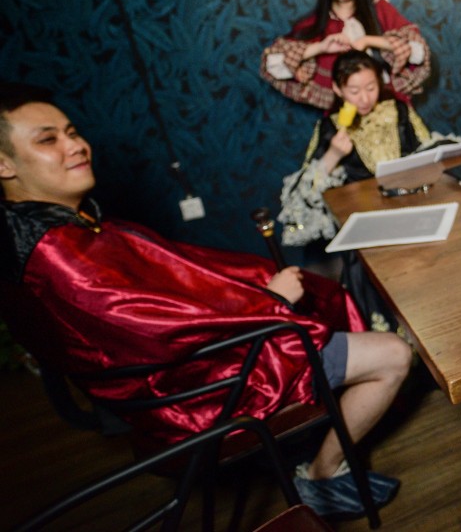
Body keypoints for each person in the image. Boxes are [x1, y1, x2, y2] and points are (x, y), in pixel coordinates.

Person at [0, 83, 413, 521]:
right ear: (4, 162)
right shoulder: (57, 256)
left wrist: (257, 291)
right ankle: (322, 474)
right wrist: (266, 301)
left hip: (196, 364)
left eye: (71, 131)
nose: (76, 145)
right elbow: (152, 330)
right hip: (200, 386)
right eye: (49, 139)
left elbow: (168, 295)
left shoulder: (53, 230)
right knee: (394, 355)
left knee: (319, 291)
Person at [277, 49, 445, 250]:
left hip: (414, 209)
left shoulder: (398, 110)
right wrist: (333, 154)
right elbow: (304, 193)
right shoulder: (330, 127)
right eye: (354, 92)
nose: (364, 99)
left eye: (371, 88)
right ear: (338, 89)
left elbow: (427, 153)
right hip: (366, 225)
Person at [260, 0, 431, 109]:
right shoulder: (315, 24)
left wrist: (368, 41)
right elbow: (272, 64)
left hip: (391, 112)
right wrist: (320, 48)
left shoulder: (379, 8)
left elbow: (418, 52)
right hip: (342, 122)